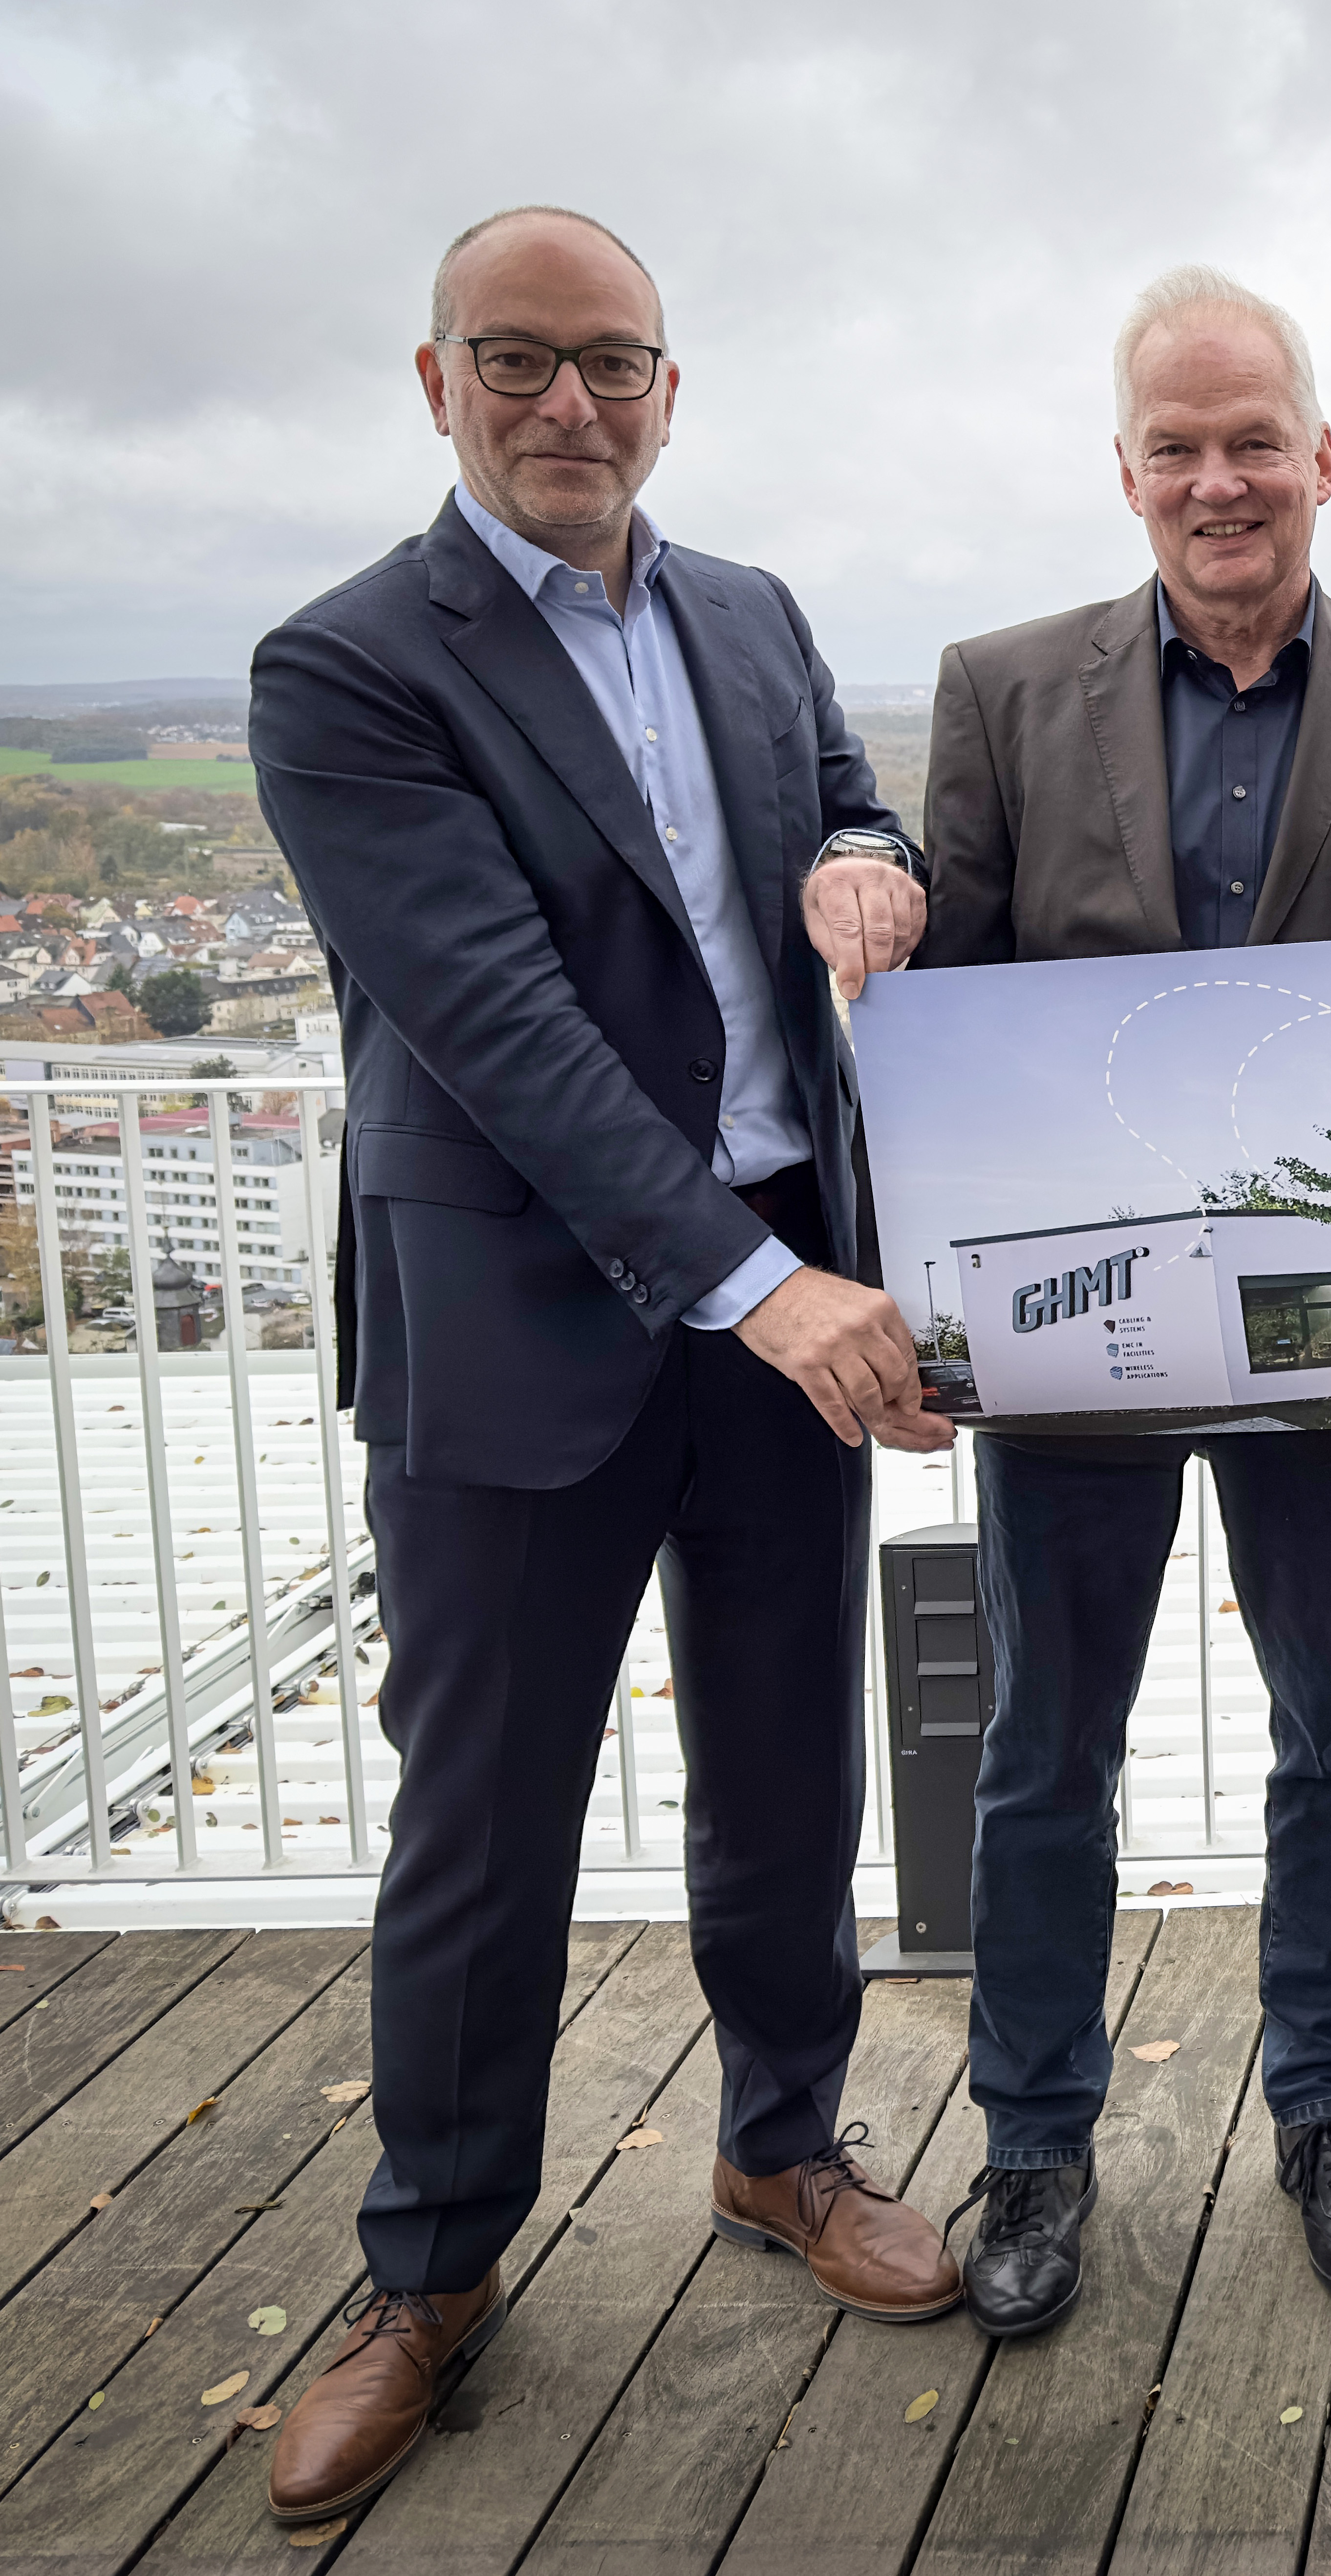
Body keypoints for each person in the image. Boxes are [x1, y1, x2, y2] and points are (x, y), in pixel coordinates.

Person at [248, 206, 960, 2526]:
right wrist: (764, 1294)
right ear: (435, 378)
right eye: (521, 361)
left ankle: (781, 2146)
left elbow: (834, 810)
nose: (572, 404)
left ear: (674, 387)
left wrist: (865, 857)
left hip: (784, 1284)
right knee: (484, 1824)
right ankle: (432, 2270)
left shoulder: (749, 616)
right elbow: (508, 1037)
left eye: (614, 364)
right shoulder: (345, 666)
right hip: (531, 1323)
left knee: (785, 1767)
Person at [918, 267, 1331, 2334]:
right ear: (1124, 473)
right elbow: (951, 1037)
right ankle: (1032, 2138)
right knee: (1041, 1745)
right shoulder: (997, 691)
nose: (1217, 477)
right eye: (1173, 445)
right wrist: (947, 1325)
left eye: (1251, 436)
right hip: (1073, 1334)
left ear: (1320, 457)